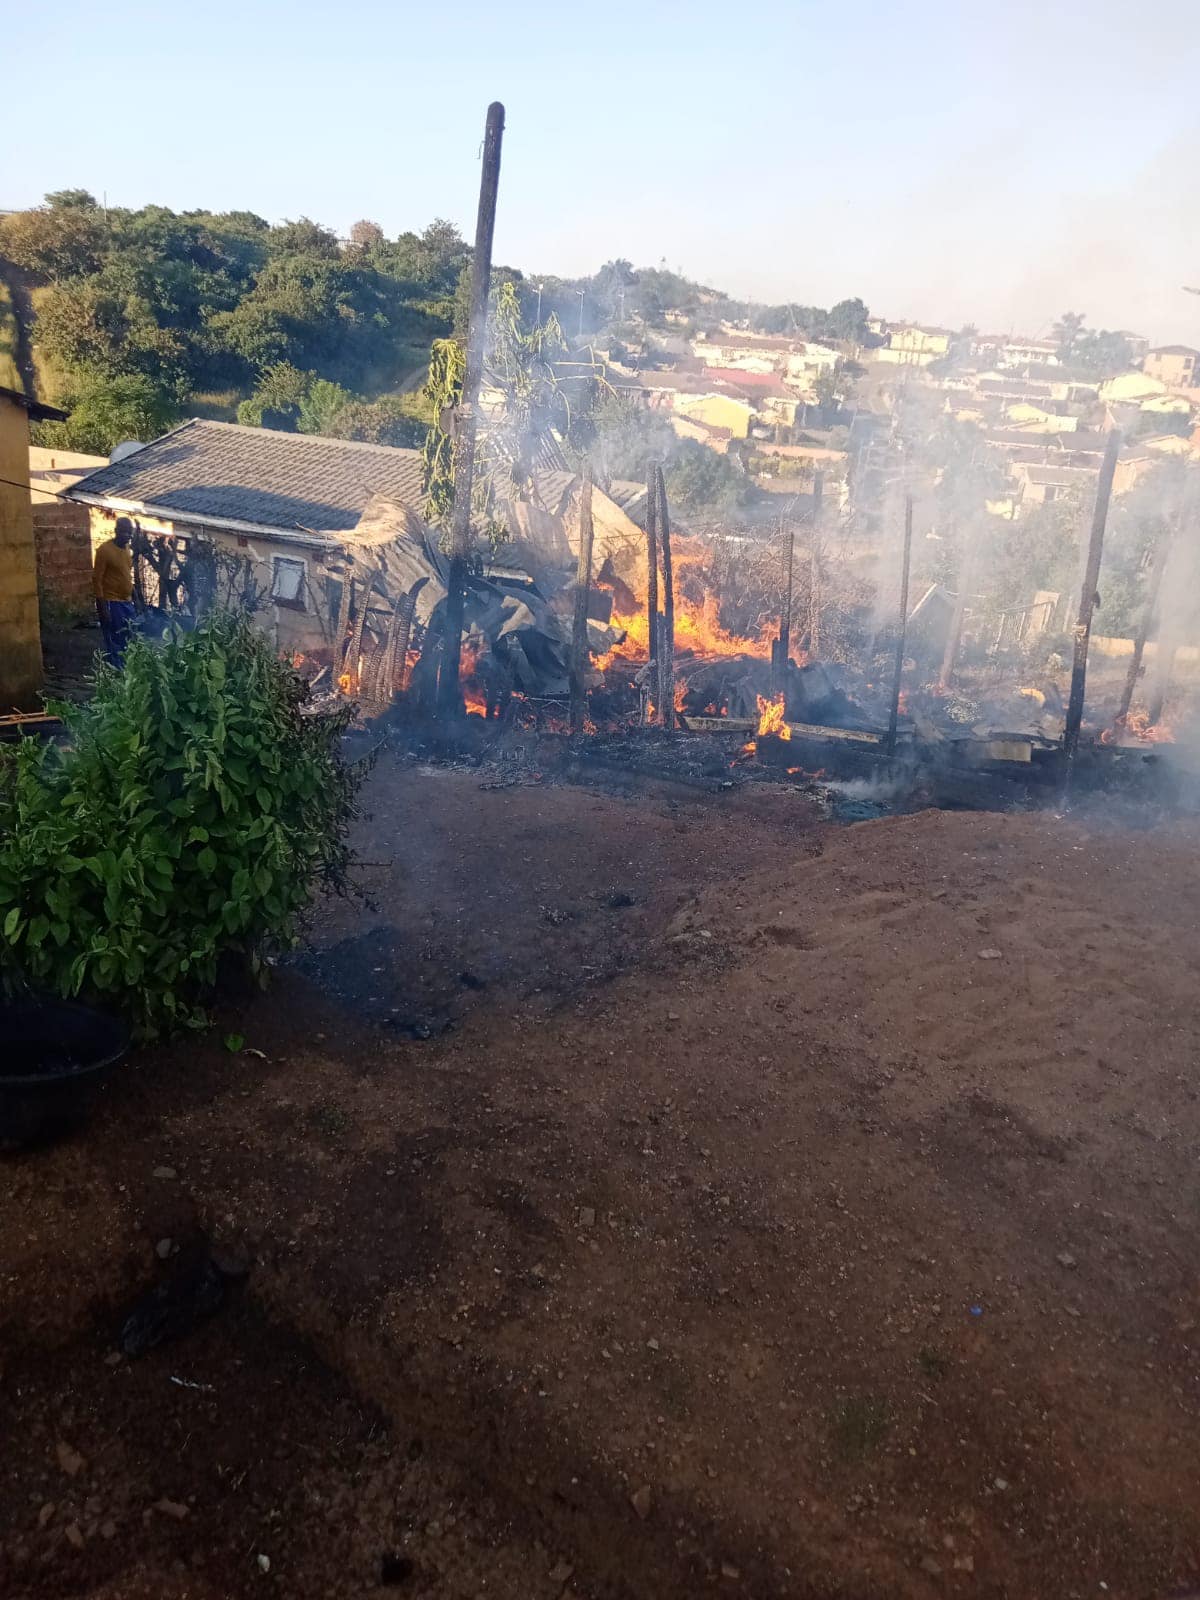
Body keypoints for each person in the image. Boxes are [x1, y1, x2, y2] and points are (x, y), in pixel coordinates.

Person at [92, 517, 136, 667]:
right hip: (112, 602)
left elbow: (126, 575)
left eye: (130, 533)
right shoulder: (104, 550)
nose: (128, 536)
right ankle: (115, 669)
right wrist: (102, 607)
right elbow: (97, 580)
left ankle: (126, 666)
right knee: (114, 637)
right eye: (124, 532)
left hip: (127, 602)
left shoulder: (127, 550)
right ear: (116, 531)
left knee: (128, 636)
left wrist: (135, 598)